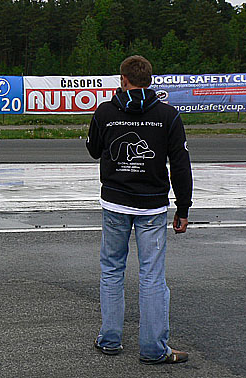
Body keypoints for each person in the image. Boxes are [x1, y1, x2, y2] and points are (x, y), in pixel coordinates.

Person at [86, 55, 193, 364]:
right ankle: (153, 349)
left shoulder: (106, 111)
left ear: (123, 80)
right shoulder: (168, 114)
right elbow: (181, 165)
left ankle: (110, 340)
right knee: (152, 277)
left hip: (115, 203)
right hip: (152, 207)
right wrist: (183, 207)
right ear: (150, 80)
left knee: (112, 270)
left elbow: (93, 150)